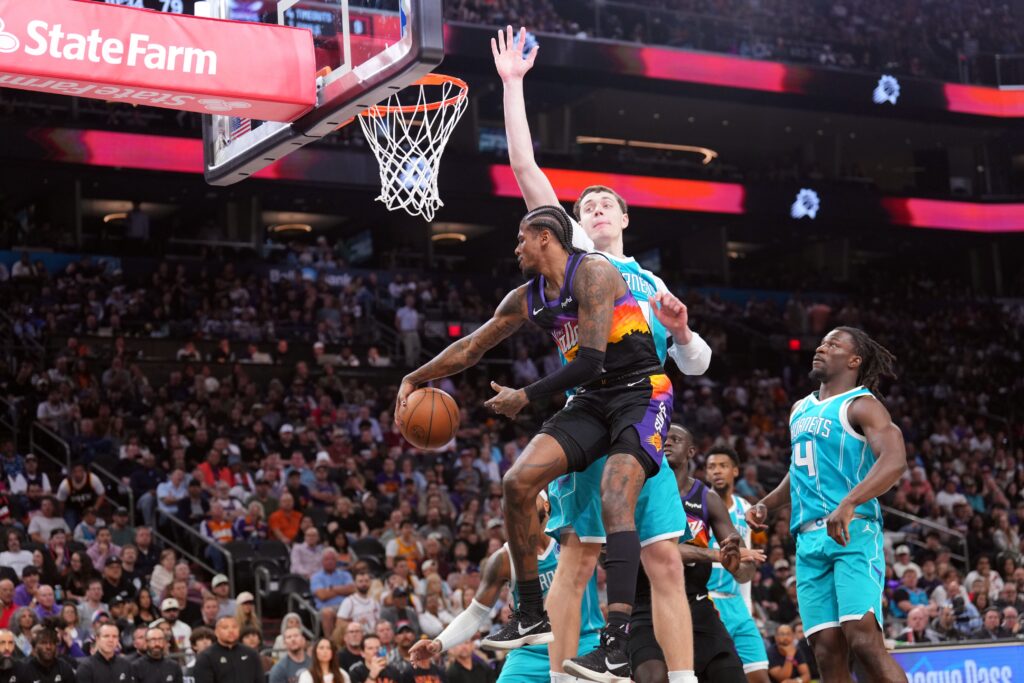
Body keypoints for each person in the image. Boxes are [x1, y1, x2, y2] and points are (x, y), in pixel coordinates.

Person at [490, 25, 712, 683]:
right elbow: (527, 169)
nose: (594, 208)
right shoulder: (576, 258)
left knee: (665, 558)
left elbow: (694, 364)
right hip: (589, 410)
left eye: (605, 202)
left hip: (645, 416)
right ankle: (563, 675)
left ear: (624, 217)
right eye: (584, 204)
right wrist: (512, 85)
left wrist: (685, 331)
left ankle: (682, 677)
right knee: (578, 555)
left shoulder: (652, 282)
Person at [397, 205, 681, 675]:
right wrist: (414, 377)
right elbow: (471, 347)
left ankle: (616, 642)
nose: (516, 247)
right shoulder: (527, 296)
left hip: (640, 391)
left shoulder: (592, 272)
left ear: (546, 237)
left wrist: (525, 395)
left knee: (616, 496)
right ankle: (530, 612)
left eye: (521, 238)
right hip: (592, 400)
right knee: (516, 482)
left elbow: (590, 359)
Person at [748, 327, 907, 683]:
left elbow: (895, 460)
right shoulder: (799, 409)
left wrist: (851, 501)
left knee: (863, 639)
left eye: (833, 344)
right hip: (807, 540)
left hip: (852, 532)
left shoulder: (863, 405)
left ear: (854, 360)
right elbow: (800, 472)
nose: (821, 347)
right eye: (821, 342)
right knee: (825, 650)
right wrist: (767, 505)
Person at [411, 492, 601, 682]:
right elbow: (476, 613)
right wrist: (438, 643)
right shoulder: (504, 558)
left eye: (527, 494)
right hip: (531, 652)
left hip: (582, 642)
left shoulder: (572, 539)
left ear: (546, 505)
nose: (518, 502)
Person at [627, 425, 758, 683]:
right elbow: (657, 552)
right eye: (662, 439)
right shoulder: (637, 494)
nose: (666, 443)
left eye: (674, 439)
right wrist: (713, 555)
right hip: (647, 606)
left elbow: (745, 569)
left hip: (696, 604)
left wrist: (736, 565)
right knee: (653, 677)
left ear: (691, 452)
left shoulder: (708, 499)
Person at [704, 445, 771, 682]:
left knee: (760, 676)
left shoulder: (745, 509)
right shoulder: (697, 504)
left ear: (735, 471)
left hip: (736, 604)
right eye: (711, 467)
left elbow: (748, 560)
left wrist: (748, 607)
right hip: (707, 601)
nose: (717, 472)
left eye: (723, 466)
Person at [193, 616, 264, 683]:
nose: (231, 631)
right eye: (225, 628)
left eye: (234, 627)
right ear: (216, 632)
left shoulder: (251, 654)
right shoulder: (206, 657)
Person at [312, 548, 354, 638]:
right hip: (327, 607)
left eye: (332, 559)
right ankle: (331, 642)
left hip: (345, 605)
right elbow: (322, 595)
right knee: (327, 612)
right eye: (327, 559)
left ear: (336, 561)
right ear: (322, 561)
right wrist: (342, 590)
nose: (330, 562)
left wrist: (331, 589)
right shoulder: (316, 577)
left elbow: (352, 590)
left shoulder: (345, 574)